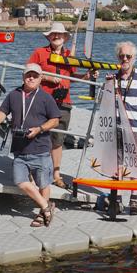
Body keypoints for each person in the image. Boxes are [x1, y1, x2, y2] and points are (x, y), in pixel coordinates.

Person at [0, 63, 61, 227]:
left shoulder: (45, 97)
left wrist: (40, 129)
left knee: (43, 184)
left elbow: (55, 120)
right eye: (28, 75)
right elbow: (3, 112)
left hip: (41, 149)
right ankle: (46, 206)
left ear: (41, 78)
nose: (31, 78)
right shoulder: (14, 94)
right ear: (23, 76)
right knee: (20, 181)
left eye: (35, 76)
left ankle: (41, 215)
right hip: (20, 150)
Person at [27, 21, 95, 189]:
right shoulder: (39, 52)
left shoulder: (69, 56)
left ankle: (56, 175)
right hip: (41, 100)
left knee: (58, 140)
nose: (56, 36)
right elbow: (28, 72)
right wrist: (47, 77)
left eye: (59, 34)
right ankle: (30, 172)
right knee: (36, 136)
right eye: (53, 34)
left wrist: (87, 76)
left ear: (65, 37)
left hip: (63, 102)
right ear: (49, 36)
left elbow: (74, 76)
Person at [107, 41, 137, 215]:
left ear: (134, 58)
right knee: (117, 163)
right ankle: (117, 199)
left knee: (135, 163)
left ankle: (134, 200)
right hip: (116, 127)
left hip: (136, 127)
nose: (124, 59)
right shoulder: (113, 77)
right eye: (121, 56)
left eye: (128, 56)